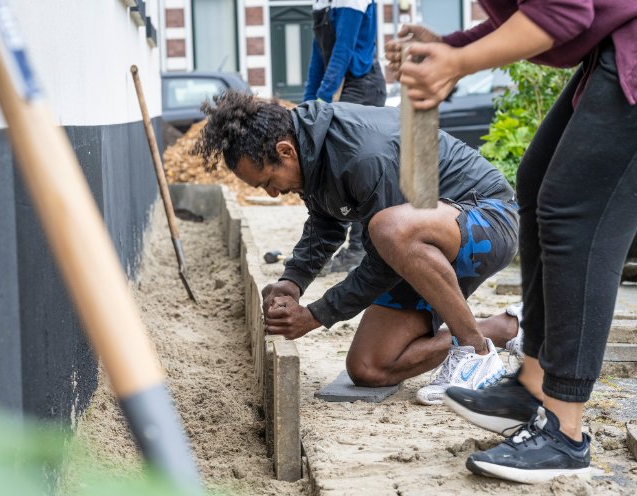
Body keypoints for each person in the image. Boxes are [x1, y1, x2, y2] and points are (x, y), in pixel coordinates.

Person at [387, 0, 637, 483]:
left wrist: (457, 63)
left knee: (576, 214)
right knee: (538, 179)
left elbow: (563, 14)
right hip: (612, 44)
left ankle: (565, 432)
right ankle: (534, 385)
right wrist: (450, 47)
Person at [194, 90, 523, 405]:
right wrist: (291, 281)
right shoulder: (310, 148)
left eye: (267, 181)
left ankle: (476, 354)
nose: (271, 194)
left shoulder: (364, 154)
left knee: (387, 229)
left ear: (285, 152)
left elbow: (384, 260)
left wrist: (316, 315)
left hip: (487, 221)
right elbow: (326, 222)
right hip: (422, 246)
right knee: (370, 368)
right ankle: (503, 328)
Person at [304, 0, 387, 274]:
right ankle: (325, 247)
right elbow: (319, 56)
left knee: (355, 173)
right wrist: (307, 105)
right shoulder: (321, 3)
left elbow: (343, 50)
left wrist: (323, 99)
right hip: (341, 85)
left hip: (362, 85)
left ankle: (358, 251)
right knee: (329, 170)